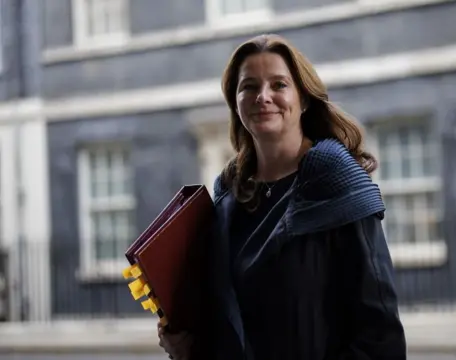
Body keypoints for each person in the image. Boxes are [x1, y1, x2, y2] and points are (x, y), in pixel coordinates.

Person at [158, 33, 406, 360]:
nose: (263, 96)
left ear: (303, 100)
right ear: (235, 102)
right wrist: (187, 349)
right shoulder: (226, 200)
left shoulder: (337, 183)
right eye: (248, 86)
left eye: (279, 85)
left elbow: (380, 339)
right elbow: (227, 327)